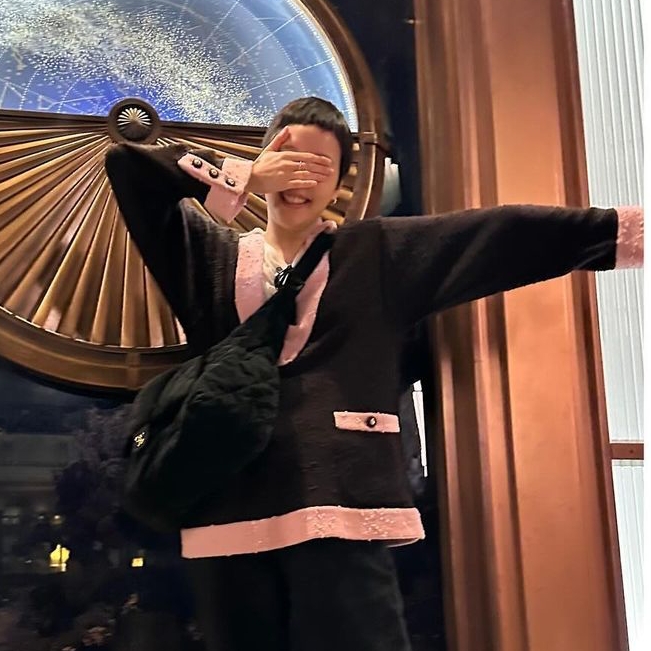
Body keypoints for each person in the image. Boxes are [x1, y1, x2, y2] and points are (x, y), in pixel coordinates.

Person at [105, 96, 643, 651]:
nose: (301, 175)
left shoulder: (377, 254)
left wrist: (626, 233)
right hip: (227, 519)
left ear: (339, 184)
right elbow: (129, 167)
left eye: (320, 165)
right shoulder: (208, 257)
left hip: (343, 510)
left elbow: (498, 236)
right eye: (289, 158)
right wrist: (242, 175)